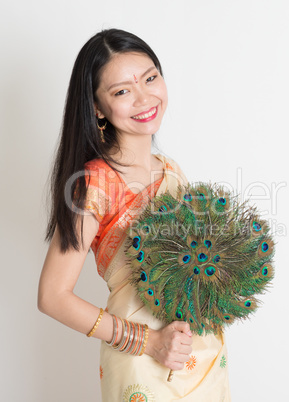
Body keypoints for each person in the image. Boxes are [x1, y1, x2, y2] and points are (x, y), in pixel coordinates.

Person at [38, 28, 231, 401]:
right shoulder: (94, 184)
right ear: (97, 107)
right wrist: (148, 340)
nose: (145, 98)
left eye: (150, 78)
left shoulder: (171, 170)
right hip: (142, 362)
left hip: (200, 355)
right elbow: (52, 296)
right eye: (122, 91)